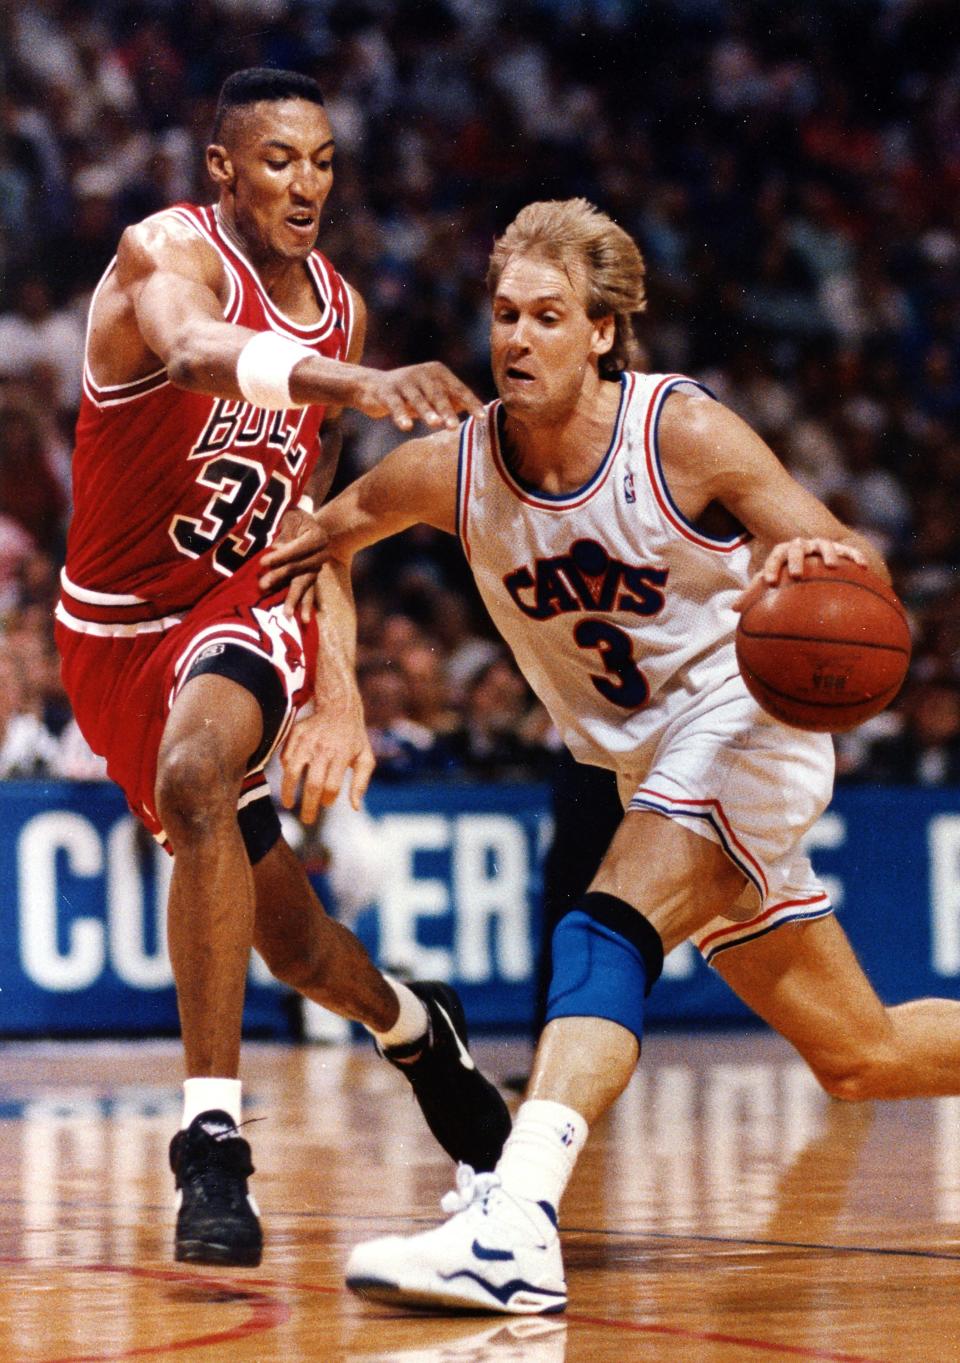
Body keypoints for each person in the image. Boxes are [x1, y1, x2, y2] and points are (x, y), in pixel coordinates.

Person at [260, 196, 960, 1315]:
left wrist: (830, 560)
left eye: (546, 315)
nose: (517, 338)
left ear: (602, 332)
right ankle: (514, 1209)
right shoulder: (454, 468)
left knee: (601, 924)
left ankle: (517, 1217)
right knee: (861, 1053)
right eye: (503, 315)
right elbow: (319, 542)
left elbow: (840, 553)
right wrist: (334, 691)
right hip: (648, 767)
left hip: (749, 720)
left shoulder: (681, 433)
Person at [53, 67, 510, 1270]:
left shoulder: (343, 305)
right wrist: (357, 383)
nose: (306, 184)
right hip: (108, 633)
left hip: (240, 605)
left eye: (322, 161)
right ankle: (419, 1028)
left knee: (201, 773)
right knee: (297, 945)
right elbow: (201, 354)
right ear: (224, 168)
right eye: (277, 161)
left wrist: (339, 686)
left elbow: (318, 519)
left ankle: (211, 1142)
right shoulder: (163, 253)